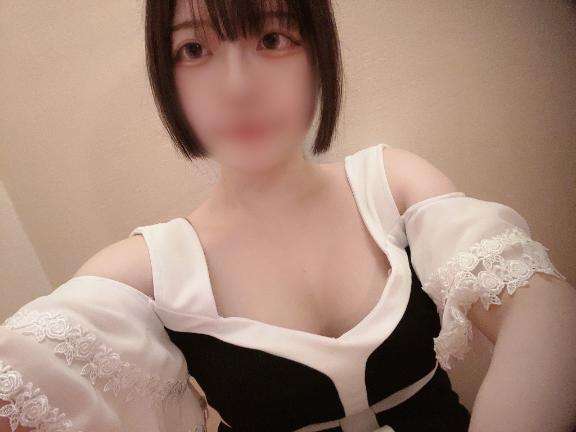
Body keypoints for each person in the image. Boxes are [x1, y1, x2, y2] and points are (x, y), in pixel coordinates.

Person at [1, 1, 571, 431]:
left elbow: (543, 311)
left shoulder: (391, 185)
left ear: (317, 54)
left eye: (272, 38)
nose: (238, 86)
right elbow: (26, 379)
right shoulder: (148, 269)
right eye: (194, 50)